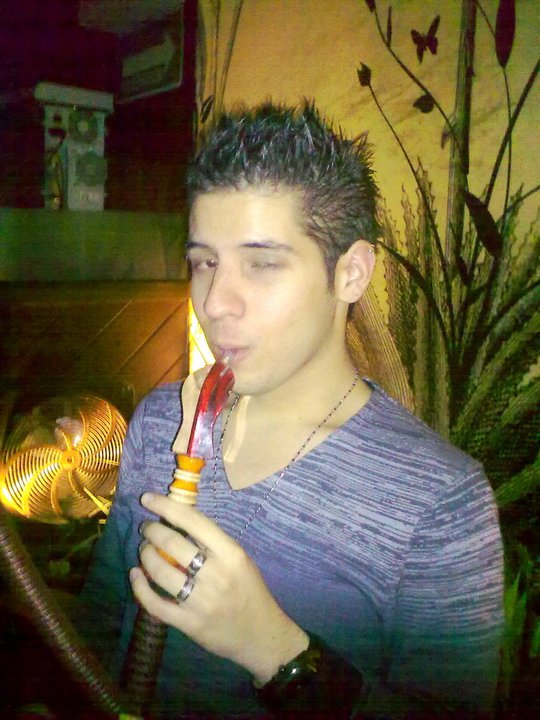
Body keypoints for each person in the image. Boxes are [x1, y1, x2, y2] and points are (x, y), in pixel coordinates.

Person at [76, 102, 504, 719]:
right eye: (204, 262)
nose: (215, 303)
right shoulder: (161, 421)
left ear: (351, 273)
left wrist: (276, 651)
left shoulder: (440, 500)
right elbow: (96, 630)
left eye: (262, 263)